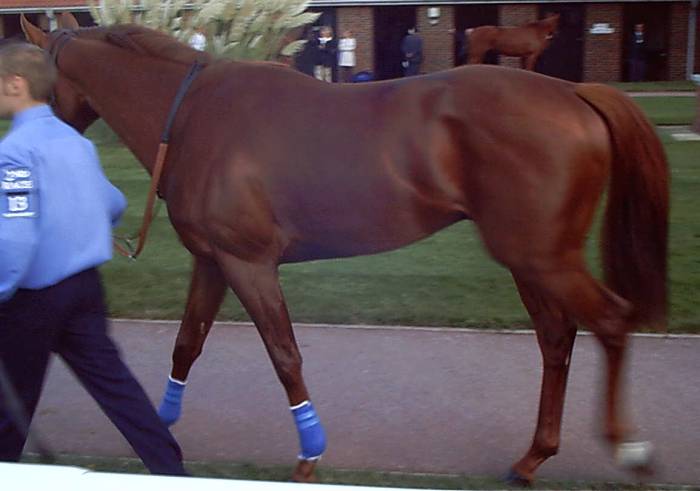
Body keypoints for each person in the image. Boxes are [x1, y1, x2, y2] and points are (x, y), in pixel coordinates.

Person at [0, 43, 186, 476]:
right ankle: (172, 473)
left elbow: (15, 239)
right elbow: (112, 202)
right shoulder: (73, 141)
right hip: (84, 290)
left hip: (33, 298)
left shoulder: (13, 152)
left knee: (12, 405)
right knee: (117, 389)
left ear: (16, 84)